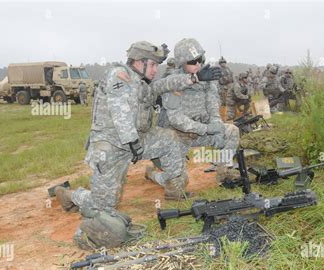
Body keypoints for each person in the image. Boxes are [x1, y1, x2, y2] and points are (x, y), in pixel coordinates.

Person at [55, 41, 221, 250]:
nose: (155, 70)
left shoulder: (143, 83)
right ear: (138, 62)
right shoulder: (119, 76)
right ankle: (71, 197)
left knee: (170, 139)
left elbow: (165, 84)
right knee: (104, 208)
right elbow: (119, 110)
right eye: (152, 65)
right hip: (111, 147)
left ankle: (174, 187)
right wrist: (132, 141)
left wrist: (194, 78)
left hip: (138, 140)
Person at [152, 38, 240, 194]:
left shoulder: (208, 78)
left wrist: (216, 122)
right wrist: (206, 128)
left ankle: (224, 173)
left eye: (200, 59)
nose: (198, 64)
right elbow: (176, 120)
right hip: (177, 137)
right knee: (177, 186)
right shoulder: (174, 82)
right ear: (181, 63)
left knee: (232, 131)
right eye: (193, 61)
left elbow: (212, 102)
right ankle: (152, 174)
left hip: (200, 132)